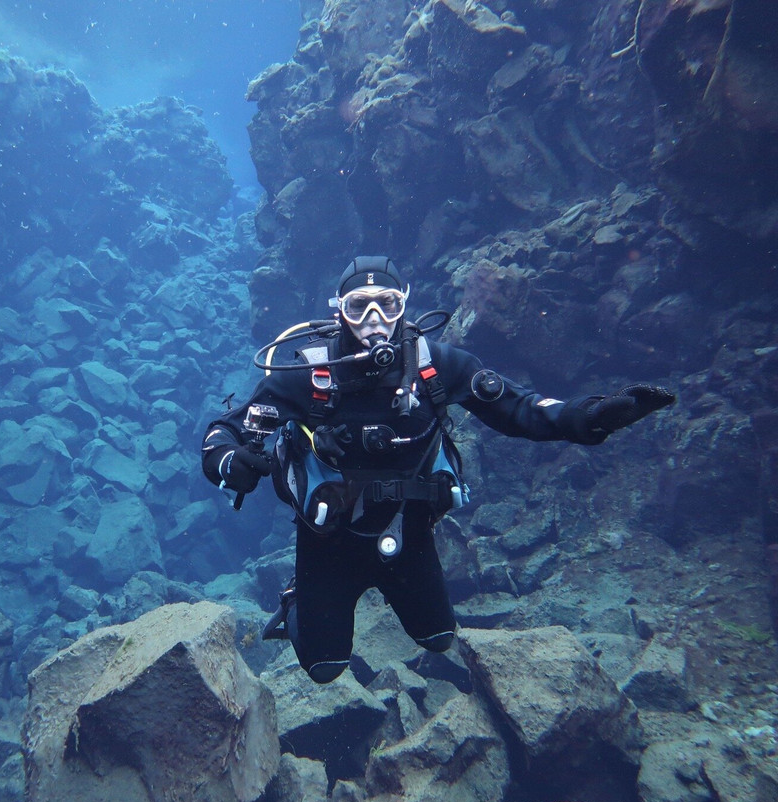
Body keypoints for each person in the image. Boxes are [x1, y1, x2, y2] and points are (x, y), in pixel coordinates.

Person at [201, 256, 675, 684]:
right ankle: (297, 598)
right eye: (359, 306)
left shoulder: (436, 367)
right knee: (324, 668)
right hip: (328, 541)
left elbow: (520, 409)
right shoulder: (309, 377)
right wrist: (229, 462)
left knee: (438, 637)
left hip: (408, 531)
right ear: (339, 311)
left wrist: (590, 417)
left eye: (387, 304)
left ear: (403, 305)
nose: (374, 320)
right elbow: (225, 430)